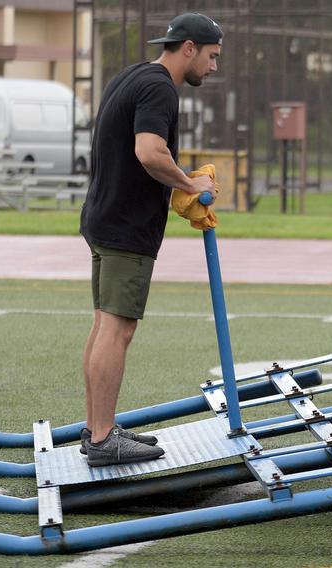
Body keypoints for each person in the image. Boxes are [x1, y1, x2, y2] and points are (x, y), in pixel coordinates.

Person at [78, 12, 222, 467]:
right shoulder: (160, 87)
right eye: (212, 56)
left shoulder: (132, 75)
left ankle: (95, 429)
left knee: (105, 325)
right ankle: (102, 438)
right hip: (125, 226)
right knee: (117, 329)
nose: (214, 67)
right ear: (189, 48)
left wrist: (178, 179)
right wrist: (190, 186)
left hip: (104, 219)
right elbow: (149, 151)